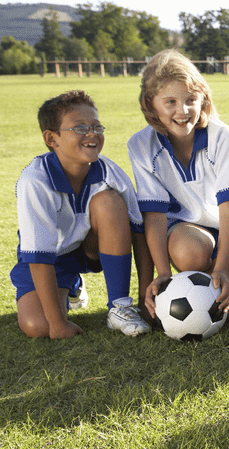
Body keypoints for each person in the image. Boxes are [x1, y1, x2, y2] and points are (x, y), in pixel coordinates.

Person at [128, 49, 229, 322]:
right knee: (189, 253)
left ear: (203, 99)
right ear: (151, 103)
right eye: (170, 102)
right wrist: (163, 273)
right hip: (185, 232)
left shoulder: (223, 137)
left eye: (191, 100)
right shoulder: (140, 145)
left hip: (228, 226)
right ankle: (195, 273)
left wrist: (222, 268)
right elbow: (154, 215)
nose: (183, 110)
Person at [12, 90, 150, 338]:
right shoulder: (34, 181)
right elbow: (38, 256)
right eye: (80, 128)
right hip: (49, 260)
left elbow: (139, 232)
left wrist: (145, 299)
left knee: (109, 202)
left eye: (97, 127)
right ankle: (71, 286)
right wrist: (57, 324)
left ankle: (119, 307)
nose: (92, 134)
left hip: (91, 250)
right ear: (52, 138)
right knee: (38, 326)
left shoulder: (110, 173)